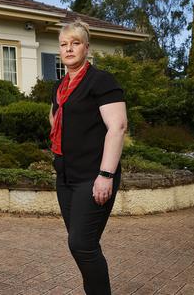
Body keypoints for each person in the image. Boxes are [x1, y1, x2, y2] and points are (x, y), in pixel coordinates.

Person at [49, 20, 127, 294]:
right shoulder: (59, 87)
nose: (68, 49)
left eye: (75, 43)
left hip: (93, 177)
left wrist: (105, 175)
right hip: (66, 177)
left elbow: (117, 127)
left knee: (81, 244)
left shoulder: (101, 81)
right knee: (83, 244)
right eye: (63, 44)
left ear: (87, 47)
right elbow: (55, 120)